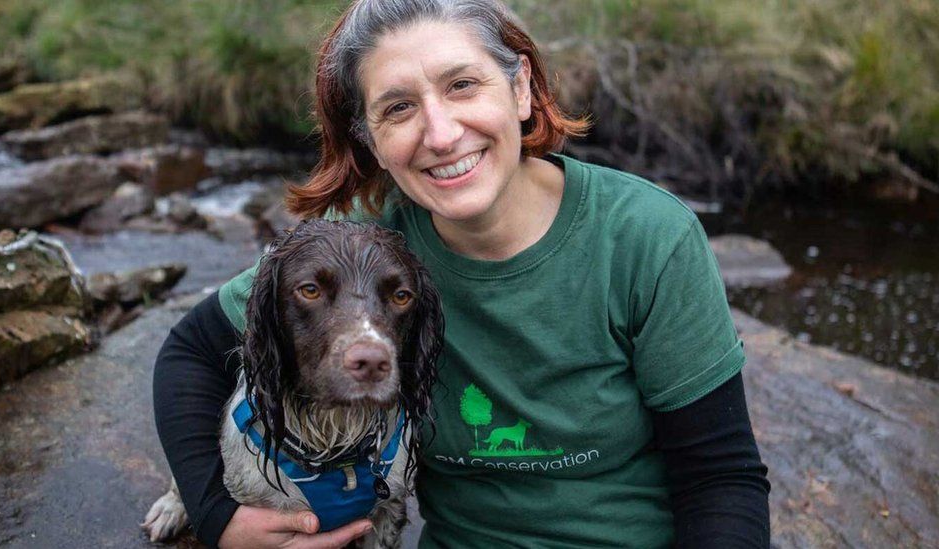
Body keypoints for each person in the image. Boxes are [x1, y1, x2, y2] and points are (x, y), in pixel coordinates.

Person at [152, 0, 771, 547]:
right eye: (398, 108)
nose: (442, 134)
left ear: (521, 87)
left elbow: (720, 478)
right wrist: (214, 513)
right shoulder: (365, 246)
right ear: (370, 140)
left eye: (462, 85)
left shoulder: (645, 237)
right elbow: (191, 351)